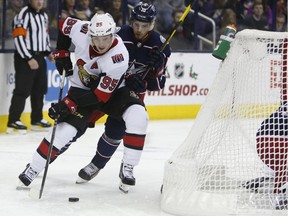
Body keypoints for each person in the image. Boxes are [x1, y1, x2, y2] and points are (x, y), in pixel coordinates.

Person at [17, 13, 150, 193]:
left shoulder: (118, 56)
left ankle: (128, 167)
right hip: (82, 89)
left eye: (106, 38)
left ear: (113, 35)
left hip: (114, 93)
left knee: (138, 117)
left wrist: (69, 103)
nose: (101, 44)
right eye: (96, 38)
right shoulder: (82, 30)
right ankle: (33, 167)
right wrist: (62, 52)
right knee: (65, 131)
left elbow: (100, 96)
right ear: (90, 34)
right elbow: (63, 24)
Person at [76, 2, 171, 193]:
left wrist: (156, 70)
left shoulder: (161, 45)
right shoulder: (117, 35)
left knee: (115, 130)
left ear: (152, 24)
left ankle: (105, 165)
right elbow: (100, 65)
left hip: (131, 97)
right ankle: (48, 155)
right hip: (108, 89)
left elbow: (158, 85)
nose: (139, 29)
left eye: (144, 26)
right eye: (136, 24)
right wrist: (126, 78)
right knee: (78, 122)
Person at [6, 0, 54, 134]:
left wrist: (48, 52)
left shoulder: (43, 15)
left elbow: (45, 36)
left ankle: (37, 119)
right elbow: (19, 38)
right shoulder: (22, 15)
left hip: (40, 57)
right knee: (22, 90)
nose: (40, 2)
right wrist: (28, 58)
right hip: (25, 58)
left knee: (40, 89)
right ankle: (13, 120)